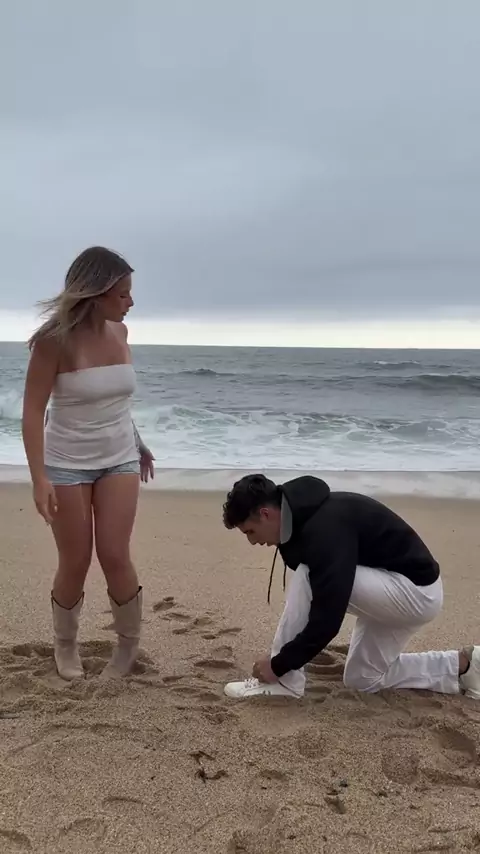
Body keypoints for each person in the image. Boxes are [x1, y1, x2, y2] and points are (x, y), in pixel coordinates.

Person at [221, 473, 480, 700]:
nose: (252, 542)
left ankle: (284, 683)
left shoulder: (324, 529)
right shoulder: (301, 518)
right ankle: (466, 666)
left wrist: (278, 665)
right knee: (362, 680)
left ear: (265, 514)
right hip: (390, 588)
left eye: (250, 532)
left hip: (414, 592)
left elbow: (327, 618)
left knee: (307, 574)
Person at [22, 246, 155, 681]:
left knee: (115, 553)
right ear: (95, 294)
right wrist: (39, 478)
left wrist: (138, 441)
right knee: (75, 559)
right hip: (66, 463)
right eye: (123, 294)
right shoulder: (53, 341)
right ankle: (65, 645)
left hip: (119, 458)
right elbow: (32, 412)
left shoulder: (122, 332)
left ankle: (127, 646)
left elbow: (114, 401)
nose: (131, 301)